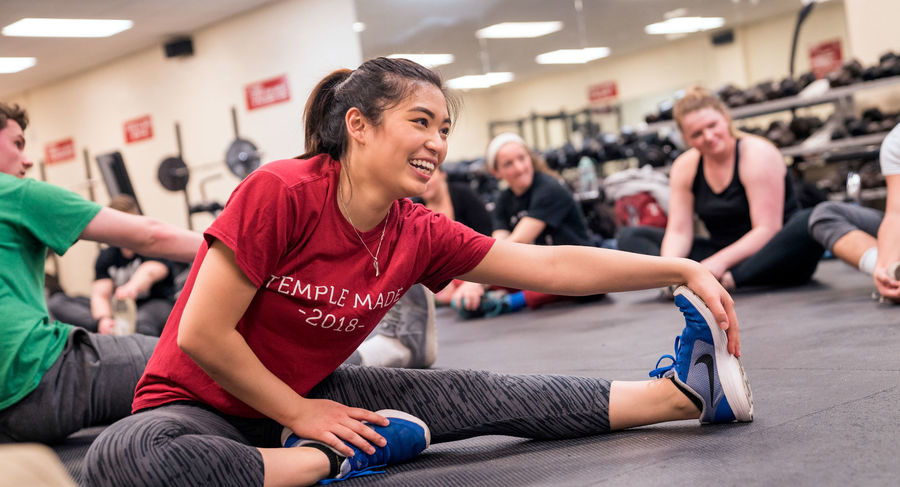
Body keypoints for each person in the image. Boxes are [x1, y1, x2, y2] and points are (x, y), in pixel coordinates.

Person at [83, 58, 752, 487]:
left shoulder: (415, 229)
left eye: (445, 128)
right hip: (201, 409)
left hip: (311, 393)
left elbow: (548, 262)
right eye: (421, 122)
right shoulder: (281, 191)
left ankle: (683, 394)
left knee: (480, 393)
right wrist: (305, 416)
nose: (438, 141)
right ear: (360, 126)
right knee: (125, 458)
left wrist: (679, 265)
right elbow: (202, 333)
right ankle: (342, 455)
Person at [0, 102, 203, 443]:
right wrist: (240, 249)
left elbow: (153, 265)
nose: (28, 159)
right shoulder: (15, 194)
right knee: (204, 364)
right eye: (17, 143)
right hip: (43, 378)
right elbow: (152, 235)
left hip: (10, 413)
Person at [617, 86, 824, 291]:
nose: (708, 136)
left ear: (726, 119)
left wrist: (714, 266)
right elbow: (679, 231)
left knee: (810, 220)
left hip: (774, 254)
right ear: (685, 139)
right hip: (720, 253)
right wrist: (671, 270)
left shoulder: (758, 154)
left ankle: (728, 280)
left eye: (712, 125)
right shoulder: (685, 166)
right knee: (631, 237)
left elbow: (766, 230)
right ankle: (697, 281)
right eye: (697, 133)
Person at [451, 132, 602, 318]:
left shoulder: (549, 188)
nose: (520, 168)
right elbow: (498, 244)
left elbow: (518, 241)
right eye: (509, 164)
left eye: (522, 158)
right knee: (459, 278)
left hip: (575, 270)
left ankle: (509, 302)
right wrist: (473, 279)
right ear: (496, 173)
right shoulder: (503, 200)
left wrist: (479, 282)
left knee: (560, 278)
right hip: (540, 269)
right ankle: (490, 295)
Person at [47, 194, 179, 337]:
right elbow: (100, 294)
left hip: (154, 303)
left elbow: (149, 272)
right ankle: (106, 333)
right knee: (57, 302)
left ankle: (142, 353)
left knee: (141, 322)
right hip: (118, 310)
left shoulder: (151, 245)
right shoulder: (107, 256)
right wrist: (103, 320)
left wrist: (131, 287)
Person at [808, 122, 900, 303]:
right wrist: (884, 268)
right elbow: (896, 214)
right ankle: (893, 276)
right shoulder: (896, 142)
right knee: (825, 215)